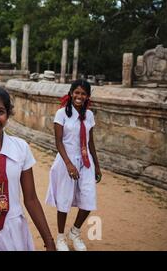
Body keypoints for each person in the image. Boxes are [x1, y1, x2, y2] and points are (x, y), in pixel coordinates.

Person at [0, 86, 56, 251]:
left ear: (8, 115)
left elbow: (31, 199)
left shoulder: (21, 148)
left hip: (16, 232)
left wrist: (48, 241)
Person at [45, 79, 101, 251]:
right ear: (70, 94)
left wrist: (97, 166)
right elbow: (58, 141)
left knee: (88, 199)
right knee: (64, 198)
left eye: (83, 93)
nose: (79, 96)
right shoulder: (62, 113)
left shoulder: (89, 115)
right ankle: (61, 237)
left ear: (87, 97)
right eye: (76, 92)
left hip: (85, 161)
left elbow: (90, 142)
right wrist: (68, 164)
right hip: (65, 160)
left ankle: (75, 232)